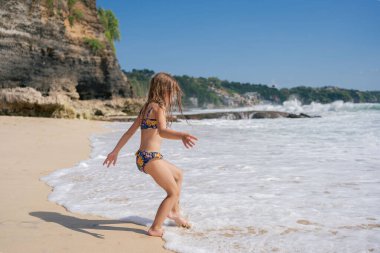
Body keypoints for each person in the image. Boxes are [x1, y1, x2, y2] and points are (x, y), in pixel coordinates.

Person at [102, 72, 198, 237]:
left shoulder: (147, 107)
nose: (173, 95)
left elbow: (129, 133)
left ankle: (174, 212)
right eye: (172, 91)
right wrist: (181, 135)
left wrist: (115, 151)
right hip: (150, 158)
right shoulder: (158, 107)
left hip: (144, 157)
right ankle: (155, 227)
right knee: (173, 192)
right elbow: (162, 131)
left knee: (178, 175)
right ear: (163, 90)